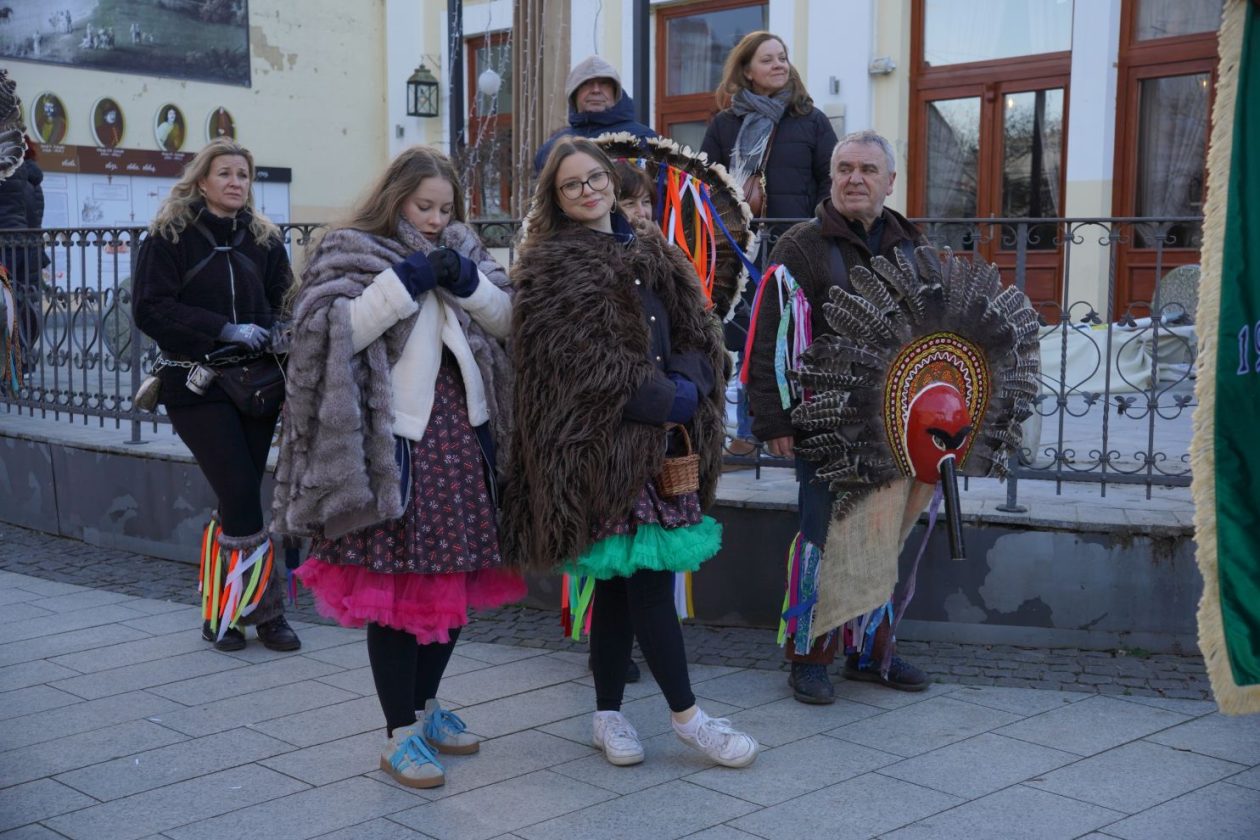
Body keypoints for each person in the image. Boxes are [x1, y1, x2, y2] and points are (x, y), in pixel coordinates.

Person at [272, 146, 525, 790]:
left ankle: (428, 706)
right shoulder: (354, 248)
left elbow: (507, 318)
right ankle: (398, 732)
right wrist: (407, 279)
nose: (438, 220)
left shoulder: (464, 248)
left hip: (464, 438)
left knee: (454, 584)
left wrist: (462, 280)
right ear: (396, 199)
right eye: (425, 206)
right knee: (397, 592)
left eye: (446, 208)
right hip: (394, 448)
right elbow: (332, 331)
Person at [503, 137, 758, 769]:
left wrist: (692, 383)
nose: (588, 190)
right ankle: (689, 718)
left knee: (620, 590)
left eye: (595, 178)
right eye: (572, 185)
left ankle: (607, 714)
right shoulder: (551, 266)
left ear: (612, 183)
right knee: (647, 587)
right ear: (556, 199)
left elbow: (698, 329)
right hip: (603, 449)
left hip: (662, 445)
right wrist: (663, 396)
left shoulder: (654, 250)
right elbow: (583, 364)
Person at [747, 130, 931, 704]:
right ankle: (808, 653)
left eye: (868, 169)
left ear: (890, 181)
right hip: (823, 425)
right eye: (845, 168)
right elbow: (768, 339)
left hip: (895, 428)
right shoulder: (800, 247)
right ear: (831, 178)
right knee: (821, 534)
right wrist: (773, 421)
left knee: (881, 535)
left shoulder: (912, 246)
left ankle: (871, 649)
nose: (855, 178)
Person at [133, 138, 301, 654]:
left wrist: (275, 330)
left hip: (257, 387)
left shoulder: (266, 240)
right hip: (195, 384)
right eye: (224, 173)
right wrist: (223, 329)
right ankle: (264, 613)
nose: (235, 182)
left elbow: (286, 303)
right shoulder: (168, 237)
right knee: (239, 492)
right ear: (202, 180)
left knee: (240, 496)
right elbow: (150, 309)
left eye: (243, 175)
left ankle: (222, 608)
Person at [701, 31, 838, 456]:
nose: (779, 65)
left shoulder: (810, 119)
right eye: (767, 60)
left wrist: (814, 230)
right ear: (746, 70)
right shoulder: (725, 124)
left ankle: (808, 426)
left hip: (797, 245)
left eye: (782, 58)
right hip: (741, 247)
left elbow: (828, 181)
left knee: (796, 333)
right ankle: (747, 433)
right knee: (748, 337)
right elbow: (706, 184)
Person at [532, 55, 656, 174]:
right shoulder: (552, 148)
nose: (596, 90)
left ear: (615, 92)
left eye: (604, 83)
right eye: (587, 83)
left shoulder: (644, 139)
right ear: (574, 94)